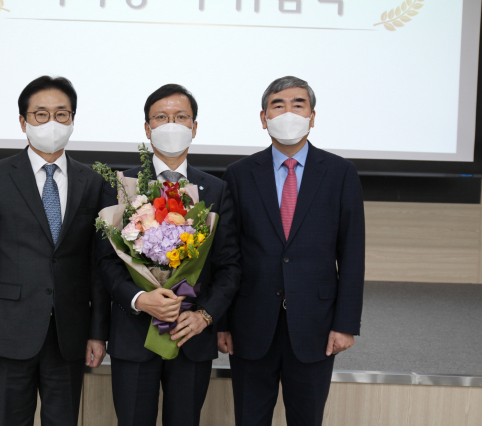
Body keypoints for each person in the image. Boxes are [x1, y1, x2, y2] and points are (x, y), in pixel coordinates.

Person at [0, 76, 111, 426]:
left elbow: (98, 265)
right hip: (9, 331)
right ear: (23, 122)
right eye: (41, 114)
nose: (52, 123)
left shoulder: (92, 182)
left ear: (73, 120)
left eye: (62, 114)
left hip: (69, 332)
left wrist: (97, 331)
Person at [219, 76, 365, 426]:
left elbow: (352, 253)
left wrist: (346, 324)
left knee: (307, 419)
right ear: (263, 116)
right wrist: (221, 322)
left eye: (298, 104)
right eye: (278, 105)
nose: (288, 112)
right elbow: (226, 254)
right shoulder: (238, 174)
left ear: (312, 116)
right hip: (250, 324)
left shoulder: (340, 173)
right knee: (250, 418)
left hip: (316, 324)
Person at [96, 84, 241, 426]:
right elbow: (104, 260)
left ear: (194, 126)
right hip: (134, 335)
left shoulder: (217, 189)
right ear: (147, 128)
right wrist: (138, 298)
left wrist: (205, 315)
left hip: (190, 336)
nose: (171, 124)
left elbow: (230, 266)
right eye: (161, 117)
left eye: (181, 117)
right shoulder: (120, 185)